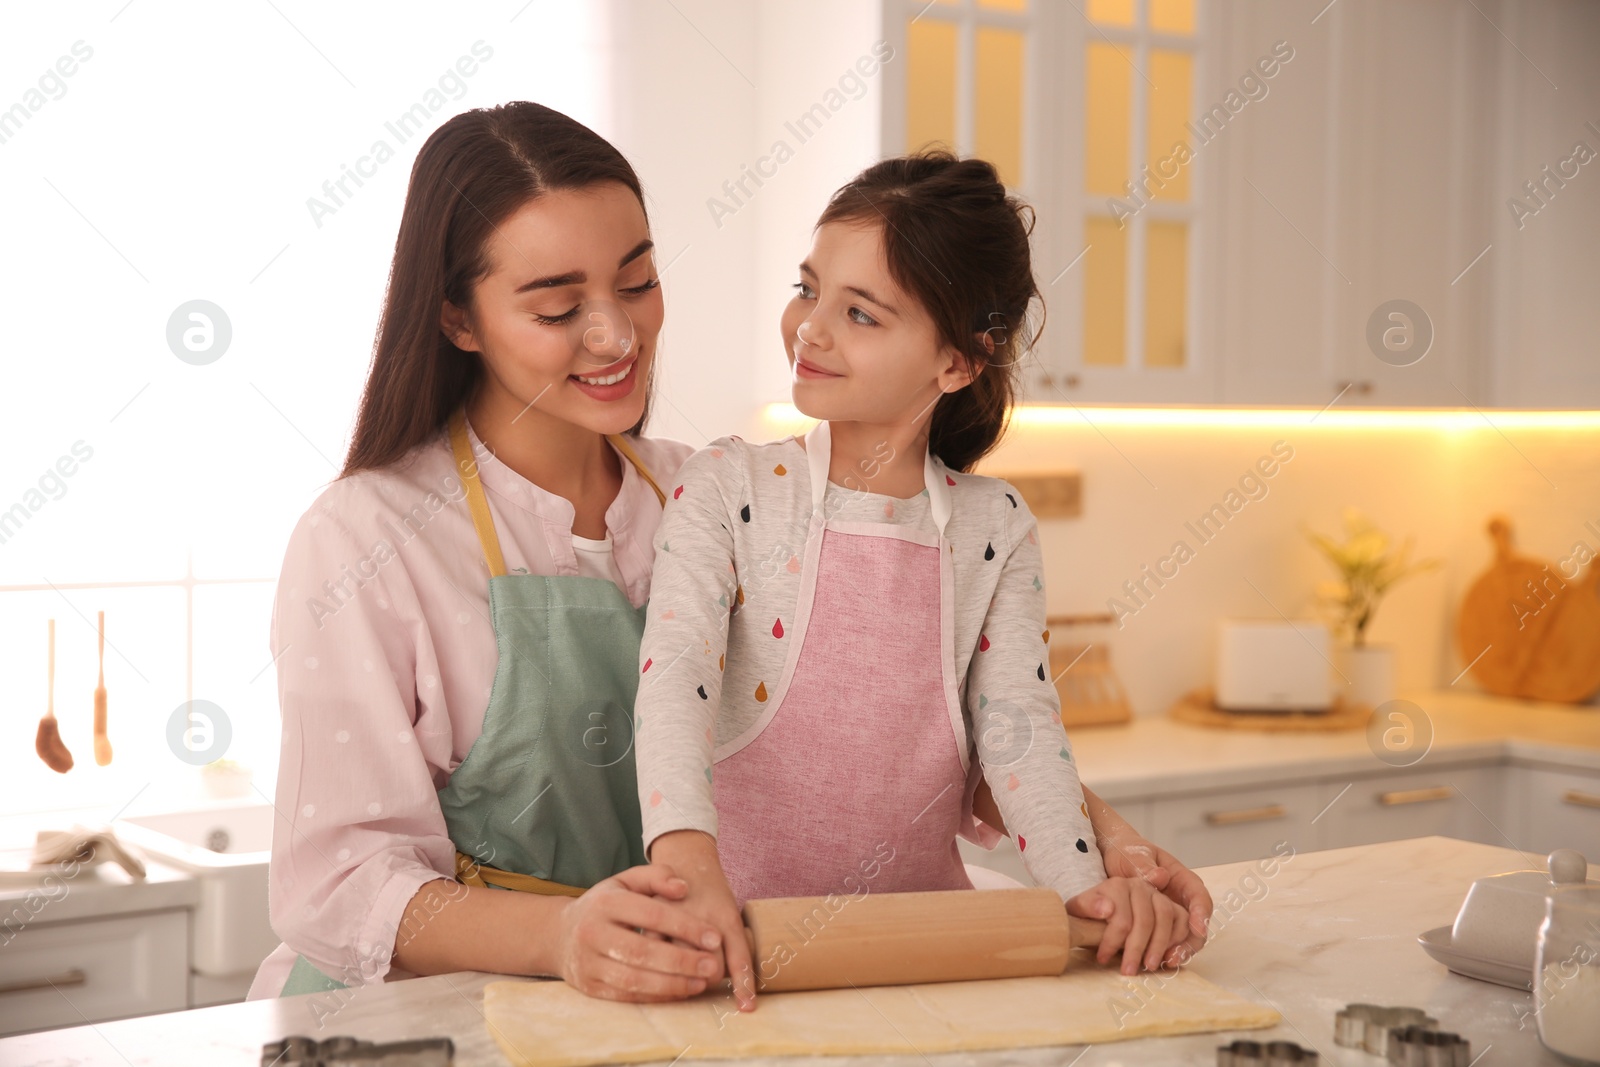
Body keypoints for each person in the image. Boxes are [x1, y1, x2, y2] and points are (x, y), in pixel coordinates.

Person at [250, 101, 1211, 1005]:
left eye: (637, 281)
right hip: (424, 1018)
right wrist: (558, 937)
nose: (618, 333)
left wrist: (1105, 843)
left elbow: (881, 740)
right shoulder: (367, 541)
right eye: (556, 307)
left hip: (653, 994)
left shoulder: (701, 492)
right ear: (458, 318)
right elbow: (334, 883)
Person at [637, 152, 1199, 1012]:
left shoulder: (993, 527)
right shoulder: (725, 487)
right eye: (809, 287)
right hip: (736, 953)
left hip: (928, 961)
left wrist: (1090, 888)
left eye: (859, 312)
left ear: (959, 362)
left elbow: (1015, 731)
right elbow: (676, 675)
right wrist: (683, 868)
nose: (809, 328)